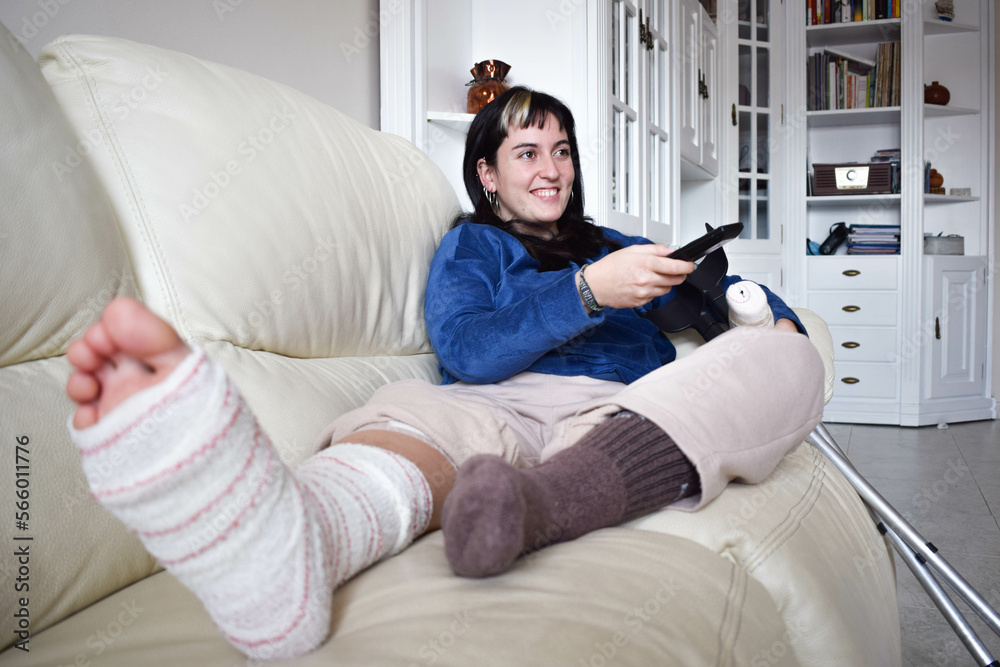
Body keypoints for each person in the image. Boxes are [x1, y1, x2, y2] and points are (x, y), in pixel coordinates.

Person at [64, 86, 824, 661]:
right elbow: (467, 351)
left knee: (789, 356)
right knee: (421, 416)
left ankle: (537, 503)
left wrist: (763, 311)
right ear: (488, 174)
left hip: (630, 412)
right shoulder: (475, 248)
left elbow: (713, 284)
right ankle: (297, 543)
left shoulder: (614, 239)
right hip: (502, 402)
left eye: (562, 150)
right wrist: (590, 290)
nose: (552, 168)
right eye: (528, 152)